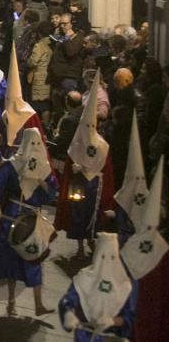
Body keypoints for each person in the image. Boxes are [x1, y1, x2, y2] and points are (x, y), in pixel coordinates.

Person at [0, 128, 57, 315]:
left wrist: (44, 184)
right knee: (11, 260)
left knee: (35, 258)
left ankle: (38, 304)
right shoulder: (12, 166)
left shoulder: (44, 167)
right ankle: (11, 302)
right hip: (13, 214)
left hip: (33, 217)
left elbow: (50, 194)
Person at [55, 76, 115, 257]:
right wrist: (74, 168)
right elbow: (70, 161)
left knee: (93, 216)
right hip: (78, 186)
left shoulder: (102, 145)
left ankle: (91, 241)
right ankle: (80, 246)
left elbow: (107, 167)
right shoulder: (77, 142)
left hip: (95, 188)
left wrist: (93, 172)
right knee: (77, 216)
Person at [59, 232, 137, 341]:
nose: (107, 263)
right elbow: (69, 299)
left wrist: (114, 321)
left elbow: (130, 316)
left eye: (112, 257)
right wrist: (68, 313)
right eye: (103, 257)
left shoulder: (124, 285)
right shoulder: (83, 278)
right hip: (84, 335)